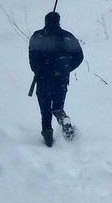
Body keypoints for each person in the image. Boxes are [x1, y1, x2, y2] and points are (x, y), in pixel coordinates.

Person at [29, 11, 84, 147]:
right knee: (58, 108)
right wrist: (66, 69)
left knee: (45, 110)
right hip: (61, 79)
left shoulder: (38, 36)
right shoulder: (67, 36)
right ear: (59, 21)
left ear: (45, 21)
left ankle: (48, 138)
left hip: (43, 79)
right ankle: (64, 120)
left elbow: (32, 58)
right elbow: (79, 56)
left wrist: (38, 70)